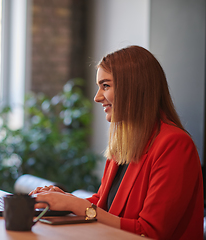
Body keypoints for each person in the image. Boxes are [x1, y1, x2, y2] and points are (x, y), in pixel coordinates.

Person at [29, 45, 204, 240]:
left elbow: (150, 232)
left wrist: (75, 205)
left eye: (105, 86)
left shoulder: (175, 144)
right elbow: (104, 204)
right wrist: (63, 199)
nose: (97, 97)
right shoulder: (124, 141)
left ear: (134, 87)